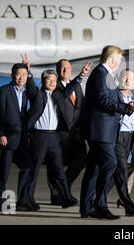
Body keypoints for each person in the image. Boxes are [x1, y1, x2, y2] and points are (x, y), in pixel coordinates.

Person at [79, 45, 134, 220]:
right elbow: (104, 101)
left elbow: (110, 99)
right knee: (110, 163)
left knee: (93, 170)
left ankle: (86, 208)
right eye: (119, 59)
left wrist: (130, 106)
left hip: (103, 130)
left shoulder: (106, 75)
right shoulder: (101, 74)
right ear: (112, 60)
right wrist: (127, 108)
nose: (120, 63)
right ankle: (100, 206)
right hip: (100, 130)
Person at [22, 54, 90, 210]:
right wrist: (28, 70)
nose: (52, 82)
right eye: (49, 80)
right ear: (44, 81)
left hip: (53, 137)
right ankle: (27, 199)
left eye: (53, 81)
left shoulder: (58, 95)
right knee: (35, 170)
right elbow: (31, 87)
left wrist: (82, 75)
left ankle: (65, 198)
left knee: (59, 169)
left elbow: (70, 89)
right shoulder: (37, 94)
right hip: (40, 136)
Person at [0, 63, 34, 212]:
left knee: (27, 166)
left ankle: (23, 200)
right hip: (7, 138)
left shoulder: (24, 93)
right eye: (18, 74)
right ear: (12, 75)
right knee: (3, 172)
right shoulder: (3, 91)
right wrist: (1, 134)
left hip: (20, 139)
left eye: (24, 74)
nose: (21, 77)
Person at [47, 59, 89, 206]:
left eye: (68, 68)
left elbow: (81, 107)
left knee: (82, 160)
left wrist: (81, 128)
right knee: (55, 165)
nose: (65, 71)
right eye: (62, 68)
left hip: (75, 134)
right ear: (58, 70)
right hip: (60, 133)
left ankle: (64, 186)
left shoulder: (77, 86)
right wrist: (80, 77)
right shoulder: (54, 86)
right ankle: (56, 194)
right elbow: (64, 96)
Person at [112, 69, 134, 217]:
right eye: (125, 77)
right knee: (123, 171)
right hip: (117, 137)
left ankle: (96, 200)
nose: (127, 80)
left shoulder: (133, 97)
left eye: (131, 78)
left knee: (112, 172)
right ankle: (128, 205)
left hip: (129, 138)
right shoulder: (115, 95)